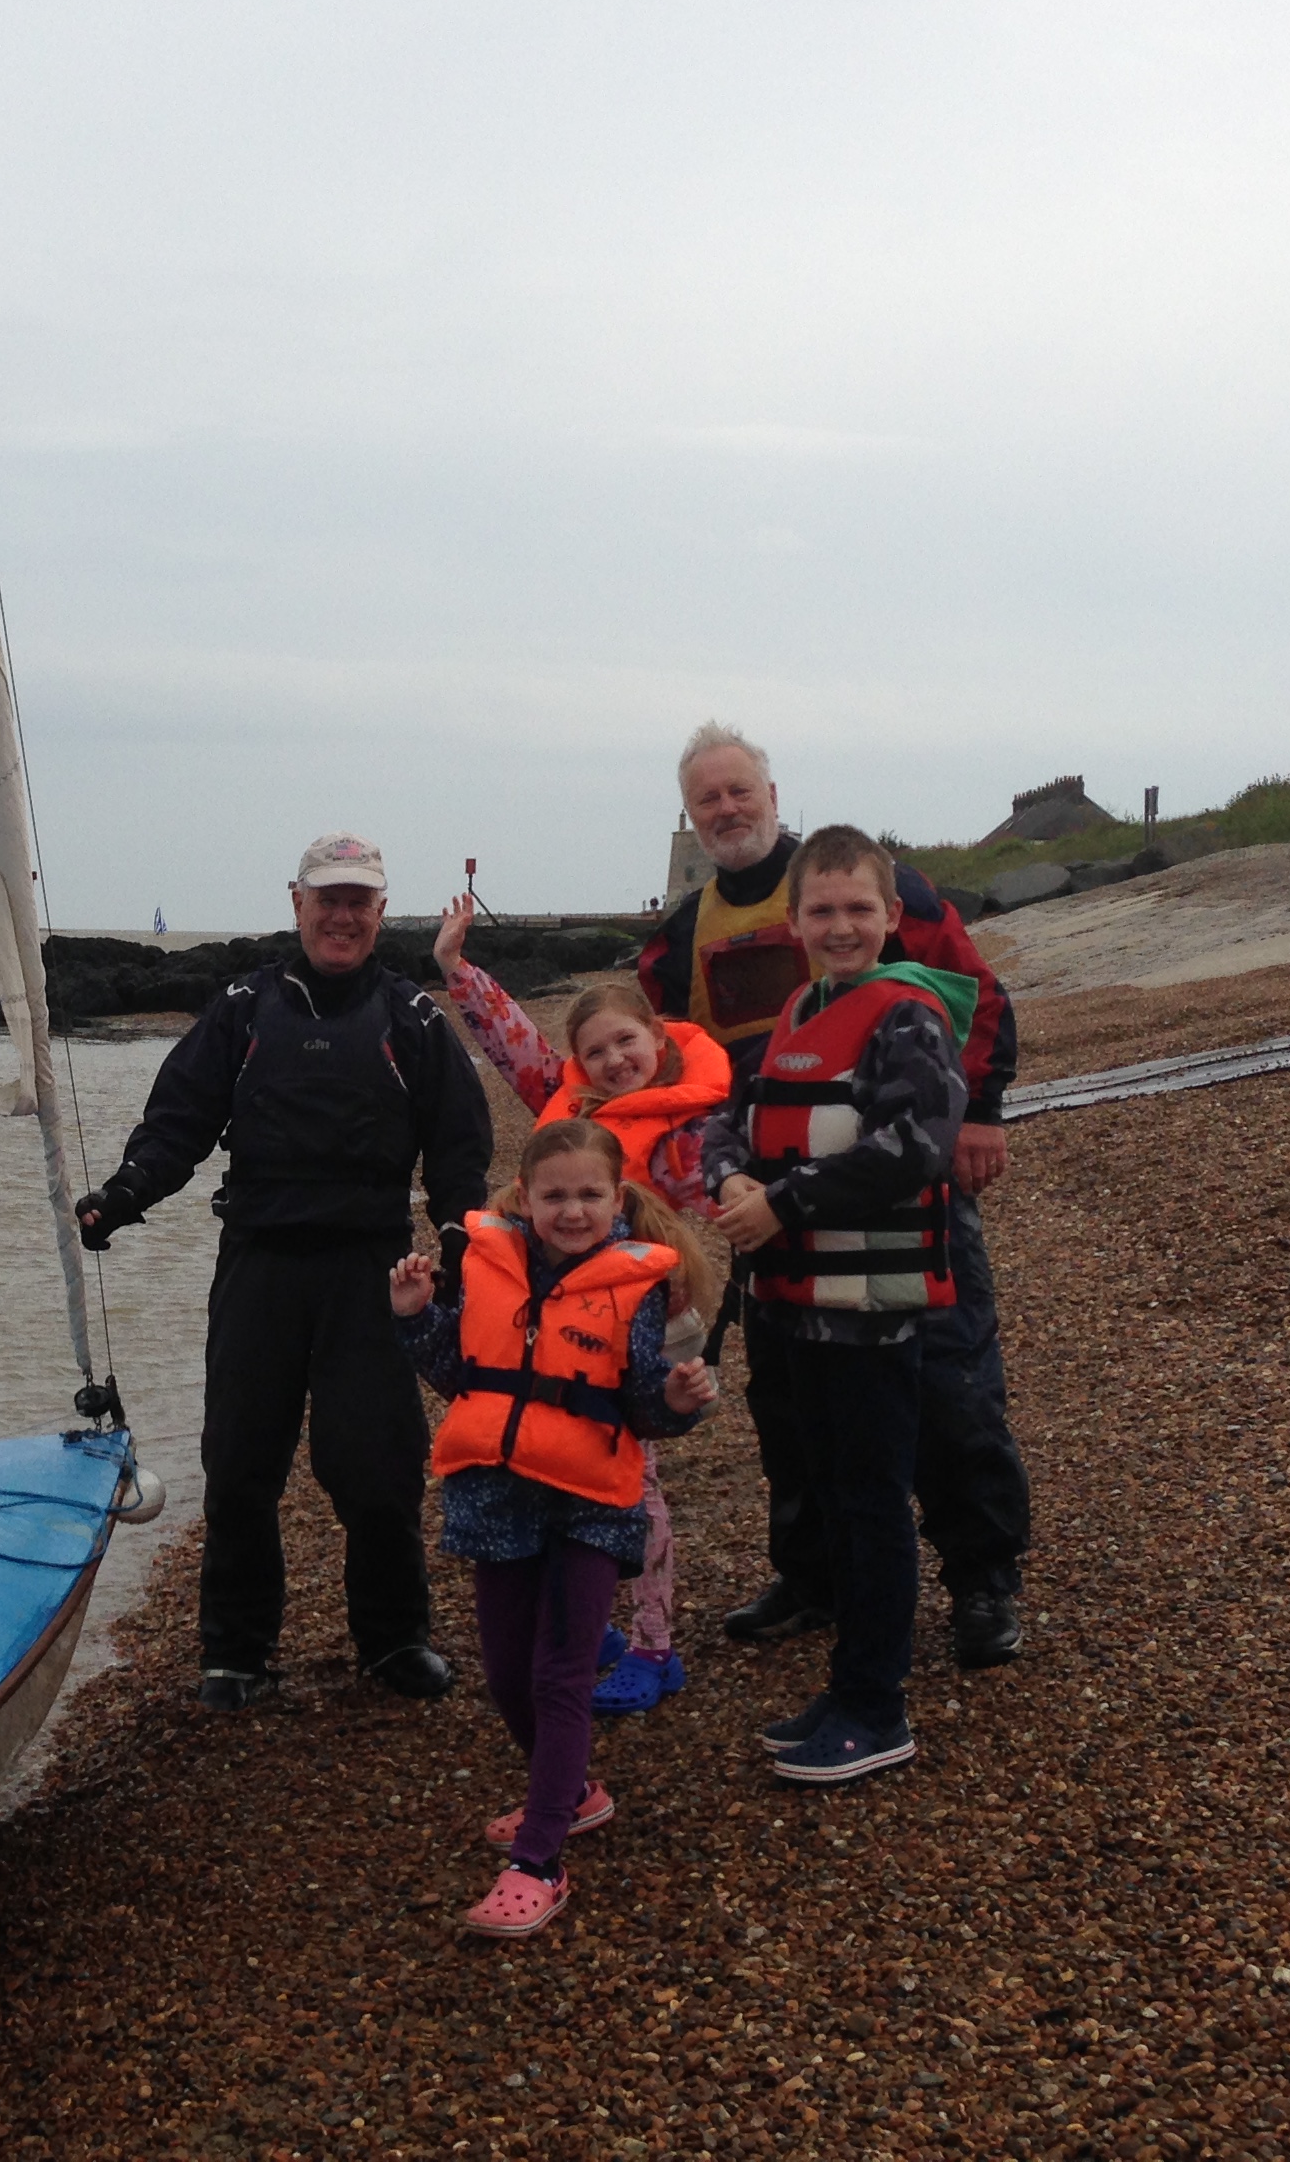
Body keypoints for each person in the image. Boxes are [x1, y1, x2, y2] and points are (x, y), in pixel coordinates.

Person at [639, 722, 1031, 1668]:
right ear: (690, 816)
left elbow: (978, 992)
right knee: (791, 1394)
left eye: (741, 792)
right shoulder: (676, 942)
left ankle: (982, 1576)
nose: (727, 811)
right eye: (708, 800)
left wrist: (979, 1111)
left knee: (947, 1377)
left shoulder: (868, 885)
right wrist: (709, 1171)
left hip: (898, 1177)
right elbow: (674, 1071)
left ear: (774, 796)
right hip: (768, 1198)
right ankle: (811, 1573)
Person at [78, 833, 494, 1712]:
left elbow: (460, 1146)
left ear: (381, 915)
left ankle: (393, 1639)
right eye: (327, 898)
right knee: (238, 1467)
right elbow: (179, 1120)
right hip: (260, 1262)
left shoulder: (411, 1019)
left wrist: (462, 1238)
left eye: (360, 901)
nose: (342, 915)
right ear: (296, 903)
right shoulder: (241, 1009)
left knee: (376, 1469)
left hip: (372, 1270)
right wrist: (123, 1195)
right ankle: (236, 1651)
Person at [390, 1118, 720, 1933]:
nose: (572, 1211)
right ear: (525, 1198)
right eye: (555, 1196)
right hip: (497, 1496)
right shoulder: (488, 1267)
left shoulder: (637, 1286)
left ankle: (539, 1859)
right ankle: (571, 1793)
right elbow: (460, 1375)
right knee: (504, 1672)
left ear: (617, 1201)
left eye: (589, 1196)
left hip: (590, 1503)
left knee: (560, 1676)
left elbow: (642, 1400)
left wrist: (675, 1405)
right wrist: (416, 1314)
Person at [700, 827, 972, 1785]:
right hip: (793, 1308)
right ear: (794, 920)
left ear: (892, 918)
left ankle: (876, 1705)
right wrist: (731, 1181)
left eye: (860, 909)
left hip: (870, 1314)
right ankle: (846, 1681)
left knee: (871, 1507)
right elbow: (728, 1120)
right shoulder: (796, 1014)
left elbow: (918, 1147)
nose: (841, 926)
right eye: (823, 910)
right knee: (831, 1500)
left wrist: (783, 1203)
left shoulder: (907, 1018)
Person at [431, 901, 728, 1713]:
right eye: (595, 1051)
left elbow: (734, 1188)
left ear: (658, 1042)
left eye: (627, 1042)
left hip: (653, 1322)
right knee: (571, 1475)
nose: (614, 1059)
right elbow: (513, 1042)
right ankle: (600, 1620)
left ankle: (655, 1644)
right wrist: (459, 969)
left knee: (638, 1485)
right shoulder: (574, 1109)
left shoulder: (690, 1127)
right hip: (571, 1326)